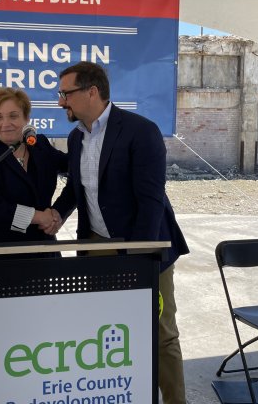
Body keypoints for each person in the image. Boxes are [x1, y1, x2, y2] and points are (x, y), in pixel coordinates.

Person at [52, 61, 190, 404]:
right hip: (96, 246)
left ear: (91, 92)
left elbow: (150, 201)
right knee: (107, 332)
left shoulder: (140, 131)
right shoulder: (75, 137)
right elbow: (77, 188)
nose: (60, 102)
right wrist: (55, 214)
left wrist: (138, 262)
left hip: (145, 247)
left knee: (159, 332)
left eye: (65, 93)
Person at [0, 87, 67, 389]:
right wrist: (39, 216)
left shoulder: (41, 146)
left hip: (38, 255)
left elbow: (74, 170)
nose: (6, 123)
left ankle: (33, 390)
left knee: (38, 332)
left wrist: (57, 213)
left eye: (13, 116)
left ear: (27, 117)